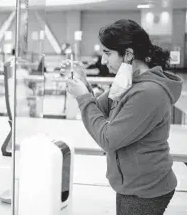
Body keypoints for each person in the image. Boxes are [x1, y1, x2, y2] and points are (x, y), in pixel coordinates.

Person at [62, 19, 183, 215]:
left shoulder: (148, 92)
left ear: (128, 54)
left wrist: (83, 96)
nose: (102, 61)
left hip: (145, 191)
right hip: (132, 185)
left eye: (107, 53)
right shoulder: (127, 82)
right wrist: (84, 85)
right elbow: (100, 111)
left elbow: (108, 138)